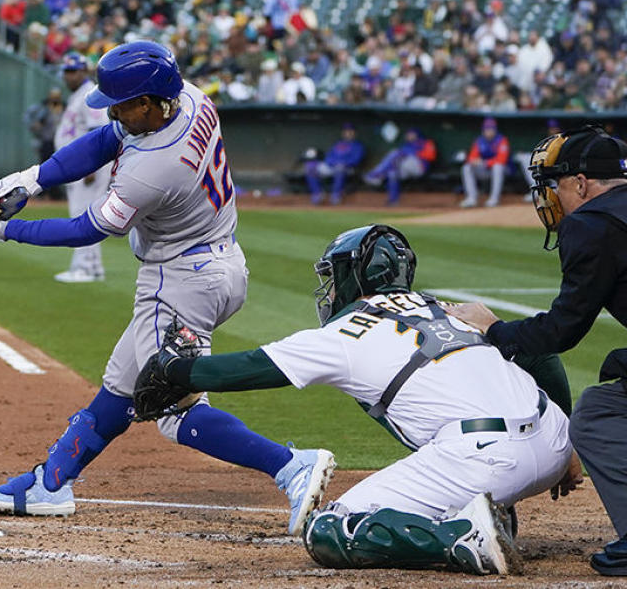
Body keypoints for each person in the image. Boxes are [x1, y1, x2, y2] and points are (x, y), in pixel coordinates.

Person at [0, 41, 335, 535]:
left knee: (171, 409)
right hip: (216, 262)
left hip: (179, 282)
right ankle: (51, 483)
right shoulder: (191, 98)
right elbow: (104, 141)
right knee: (122, 383)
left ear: (150, 102)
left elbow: (87, 229)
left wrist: (4, 230)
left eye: (122, 104)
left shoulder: (152, 169)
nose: (114, 112)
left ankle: (291, 466)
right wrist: (31, 181)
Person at [134, 225, 576, 575]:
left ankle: (464, 538)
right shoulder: (446, 308)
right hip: (553, 443)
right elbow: (543, 357)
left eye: (334, 275)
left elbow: (252, 366)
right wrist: (568, 444)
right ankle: (488, 514)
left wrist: (174, 370)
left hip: (485, 459)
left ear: (353, 276)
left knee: (329, 529)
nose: (329, 289)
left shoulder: (345, 333)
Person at [446, 124, 627, 577]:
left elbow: (562, 330)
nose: (550, 197)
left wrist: (496, 329)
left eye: (555, 185)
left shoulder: (592, 223)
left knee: (600, 412)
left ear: (581, 183)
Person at [51, 52, 111, 283]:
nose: (69, 76)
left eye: (73, 71)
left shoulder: (88, 94)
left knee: (84, 216)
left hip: (87, 167)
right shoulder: (78, 95)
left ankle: (86, 268)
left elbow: (97, 130)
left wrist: (90, 167)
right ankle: (89, 266)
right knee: (82, 215)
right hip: (79, 165)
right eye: (66, 72)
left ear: (84, 72)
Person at [363, 128, 437, 206]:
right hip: (406, 167)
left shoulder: (426, 142)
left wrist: (416, 153)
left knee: (395, 154)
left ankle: (376, 175)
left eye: (412, 134)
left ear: (417, 134)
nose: (410, 136)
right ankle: (393, 201)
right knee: (392, 173)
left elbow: (431, 156)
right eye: (408, 134)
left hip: (420, 166)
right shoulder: (406, 145)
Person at [304, 122, 365, 206]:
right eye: (346, 131)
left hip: (348, 168)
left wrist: (343, 163)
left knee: (340, 167)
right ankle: (317, 194)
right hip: (332, 166)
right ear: (343, 133)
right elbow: (328, 157)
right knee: (310, 167)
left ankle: (336, 195)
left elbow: (356, 160)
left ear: (354, 133)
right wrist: (332, 163)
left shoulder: (358, 146)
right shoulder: (337, 144)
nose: (348, 133)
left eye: (350, 131)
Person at [460, 117, 512, 208]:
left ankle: (494, 198)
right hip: (485, 168)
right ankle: (472, 198)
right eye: (487, 129)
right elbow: (471, 157)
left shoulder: (502, 140)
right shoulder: (479, 141)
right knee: (467, 167)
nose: (489, 131)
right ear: (483, 130)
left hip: (504, 170)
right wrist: (474, 161)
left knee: (497, 167)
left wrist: (486, 162)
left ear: (495, 130)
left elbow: (502, 160)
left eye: (491, 129)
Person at [24, 88, 65, 165]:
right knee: (46, 162)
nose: (55, 99)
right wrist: (33, 125)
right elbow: (27, 116)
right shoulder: (42, 107)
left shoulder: (65, 107)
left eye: (57, 96)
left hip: (61, 140)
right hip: (46, 140)